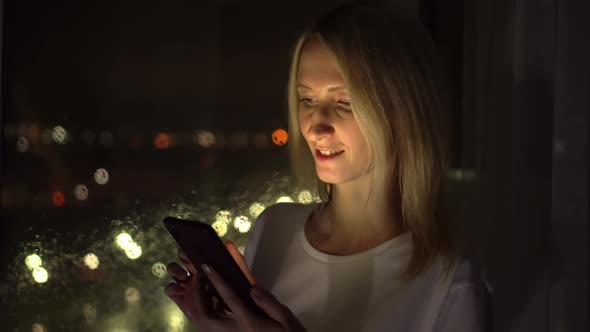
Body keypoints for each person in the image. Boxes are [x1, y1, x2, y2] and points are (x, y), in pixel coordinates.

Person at [165, 1, 485, 331]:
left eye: (344, 102)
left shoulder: (448, 280)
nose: (316, 127)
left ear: (404, 111)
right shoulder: (275, 230)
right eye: (307, 100)